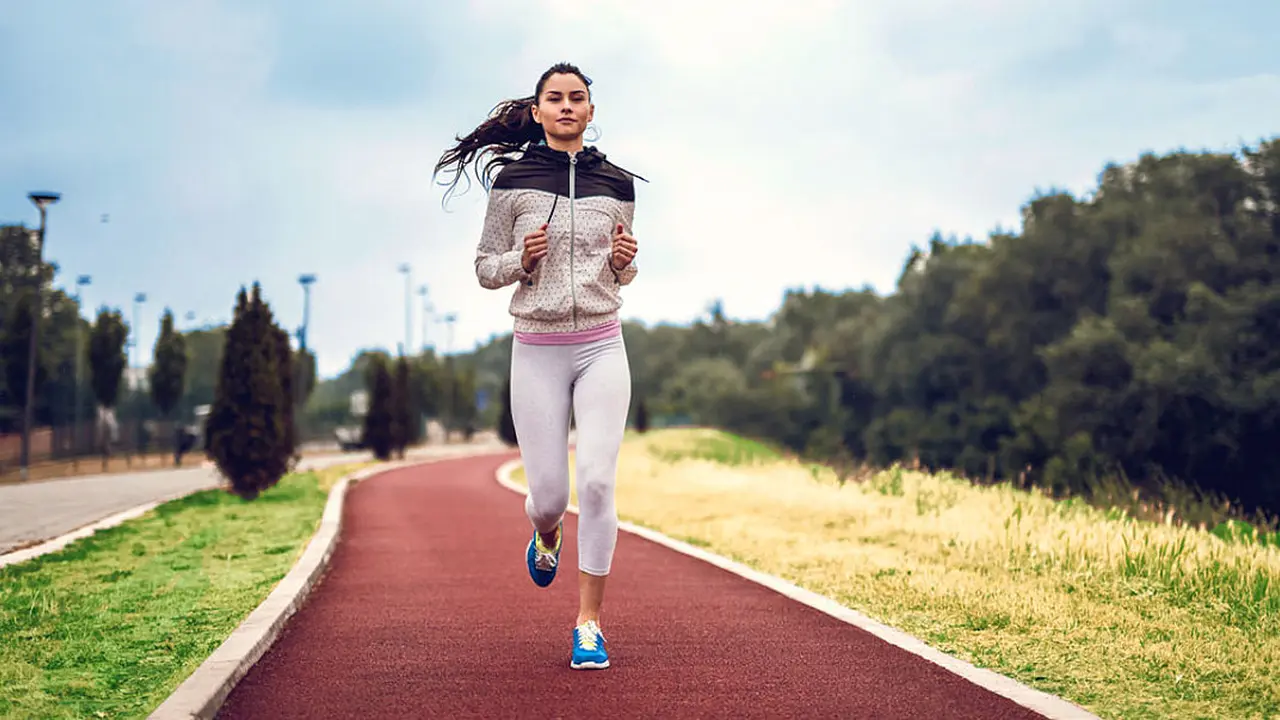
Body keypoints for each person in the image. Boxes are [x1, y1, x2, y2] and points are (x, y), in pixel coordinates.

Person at [433, 62, 642, 671]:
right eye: (556, 99)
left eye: (578, 98)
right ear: (539, 110)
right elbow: (484, 267)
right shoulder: (514, 182)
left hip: (603, 343)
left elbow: (622, 269)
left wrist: (626, 262)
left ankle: (589, 624)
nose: (568, 107)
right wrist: (521, 260)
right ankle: (545, 533)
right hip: (538, 347)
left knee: (599, 483)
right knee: (550, 496)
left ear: (591, 111)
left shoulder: (618, 183)